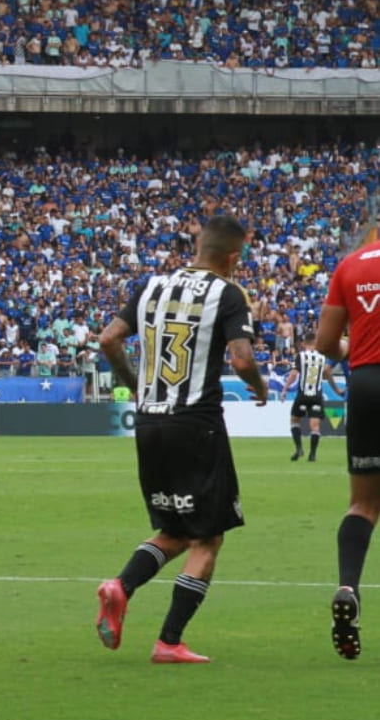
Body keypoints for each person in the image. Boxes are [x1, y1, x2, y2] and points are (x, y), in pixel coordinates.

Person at [94, 216, 267, 664]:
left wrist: (135, 385)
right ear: (232, 257)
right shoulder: (229, 293)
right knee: (208, 538)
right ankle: (169, 641)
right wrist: (261, 388)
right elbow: (243, 359)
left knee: (175, 528)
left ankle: (121, 586)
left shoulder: (151, 285)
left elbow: (109, 339)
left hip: (149, 422)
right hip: (196, 423)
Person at [316, 231, 380, 660]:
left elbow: (325, 344)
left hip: (365, 384)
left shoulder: (350, 265)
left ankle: (347, 587)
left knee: (363, 504)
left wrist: (354, 347)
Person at [287, 332, 343, 462]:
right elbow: (328, 373)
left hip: (302, 395)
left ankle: (299, 449)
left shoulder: (301, 356)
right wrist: (336, 389)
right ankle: (312, 454)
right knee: (315, 425)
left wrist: (285, 389)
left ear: (305, 343)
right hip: (317, 396)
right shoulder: (322, 357)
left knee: (295, 420)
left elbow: (294, 374)